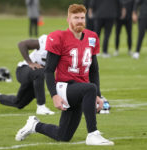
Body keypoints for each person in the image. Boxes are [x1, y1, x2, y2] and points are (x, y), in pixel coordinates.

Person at [15, 4, 114, 145]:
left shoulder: (92, 37)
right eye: (76, 18)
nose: (79, 21)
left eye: (82, 18)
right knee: (89, 88)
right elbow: (49, 70)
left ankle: (34, 125)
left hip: (80, 89)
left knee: (63, 135)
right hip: (65, 87)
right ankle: (93, 134)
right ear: (68, 19)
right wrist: (54, 95)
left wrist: (97, 94)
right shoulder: (59, 37)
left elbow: (94, 70)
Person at [0, 35, 54, 115]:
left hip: (36, 79)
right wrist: (30, 63)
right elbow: (22, 44)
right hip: (23, 70)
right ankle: (41, 106)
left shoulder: (66, 51)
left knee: (19, 103)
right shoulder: (46, 42)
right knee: (39, 71)